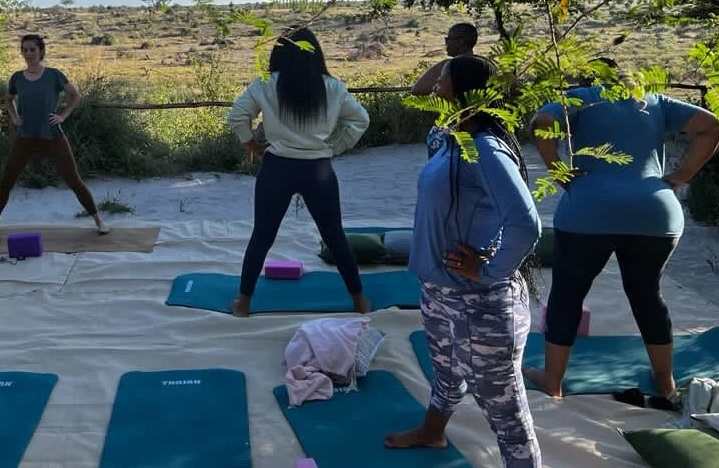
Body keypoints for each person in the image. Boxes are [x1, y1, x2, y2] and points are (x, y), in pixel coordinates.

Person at [524, 65, 719, 401]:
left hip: (590, 210)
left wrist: (557, 169)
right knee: (646, 295)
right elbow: (712, 127)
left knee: (568, 294)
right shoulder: (654, 101)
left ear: (591, 78)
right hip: (655, 212)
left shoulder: (581, 98)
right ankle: (665, 382)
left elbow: (541, 122)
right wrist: (682, 174)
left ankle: (553, 382)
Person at [386, 55, 542, 468]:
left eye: (443, 82)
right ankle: (432, 433)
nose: (435, 89)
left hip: (481, 303)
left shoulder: (487, 149)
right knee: (447, 373)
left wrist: (488, 270)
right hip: (439, 290)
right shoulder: (451, 137)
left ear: (465, 94)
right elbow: (420, 96)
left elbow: (525, 224)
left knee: (506, 414)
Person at [226, 27, 371, 317]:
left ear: (278, 53)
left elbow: (237, 116)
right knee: (334, 236)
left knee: (262, 237)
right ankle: (358, 302)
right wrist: (335, 147)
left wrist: (252, 143)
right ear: (316, 53)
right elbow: (360, 120)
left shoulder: (266, 84)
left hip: (277, 168)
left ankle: (243, 304)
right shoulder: (333, 87)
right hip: (318, 170)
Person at [0, 34, 110, 236]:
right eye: (24, 49)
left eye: (32, 49)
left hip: (52, 136)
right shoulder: (17, 78)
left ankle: (99, 221)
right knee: (7, 180)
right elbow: (8, 100)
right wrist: (14, 118)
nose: (28, 53)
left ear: (41, 51)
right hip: (25, 137)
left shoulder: (54, 75)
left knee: (74, 179)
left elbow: (75, 96)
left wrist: (62, 116)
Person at [411, 23, 479, 157]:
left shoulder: (449, 66)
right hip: (482, 128)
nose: (446, 44)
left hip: (453, 129)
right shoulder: (486, 64)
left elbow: (417, 90)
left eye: (448, 40)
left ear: (461, 41)